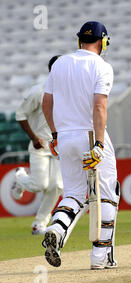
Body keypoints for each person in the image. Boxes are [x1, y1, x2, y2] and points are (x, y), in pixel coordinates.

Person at [42, 21, 120, 270]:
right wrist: (98, 144)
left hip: (65, 137)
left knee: (73, 194)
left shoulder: (60, 63)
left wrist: (55, 136)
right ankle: (100, 257)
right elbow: (99, 106)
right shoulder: (102, 66)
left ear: (79, 40)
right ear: (103, 42)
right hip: (90, 135)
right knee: (108, 195)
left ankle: (56, 227)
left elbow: (47, 103)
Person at [11, 55, 63, 235]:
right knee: (39, 185)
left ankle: (39, 224)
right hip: (40, 145)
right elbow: (20, 115)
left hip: (57, 145)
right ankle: (19, 175)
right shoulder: (38, 91)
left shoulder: (67, 91)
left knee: (56, 186)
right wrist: (33, 137)